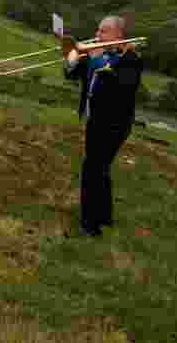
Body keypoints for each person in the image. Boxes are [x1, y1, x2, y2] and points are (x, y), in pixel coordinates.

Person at [62, 15, 144, 237]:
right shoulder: (96, 52)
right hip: (94, 119)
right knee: (101, 169)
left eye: (104, 32)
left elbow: (122, 88)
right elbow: (72, 75)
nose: (98, 35)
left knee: (92, 170)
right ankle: (104, 216)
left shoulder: (131, 58)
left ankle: (90, 226)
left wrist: (98, 59)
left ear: (119, 35)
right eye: (98, 30)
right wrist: (71, 59)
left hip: (114, 123)